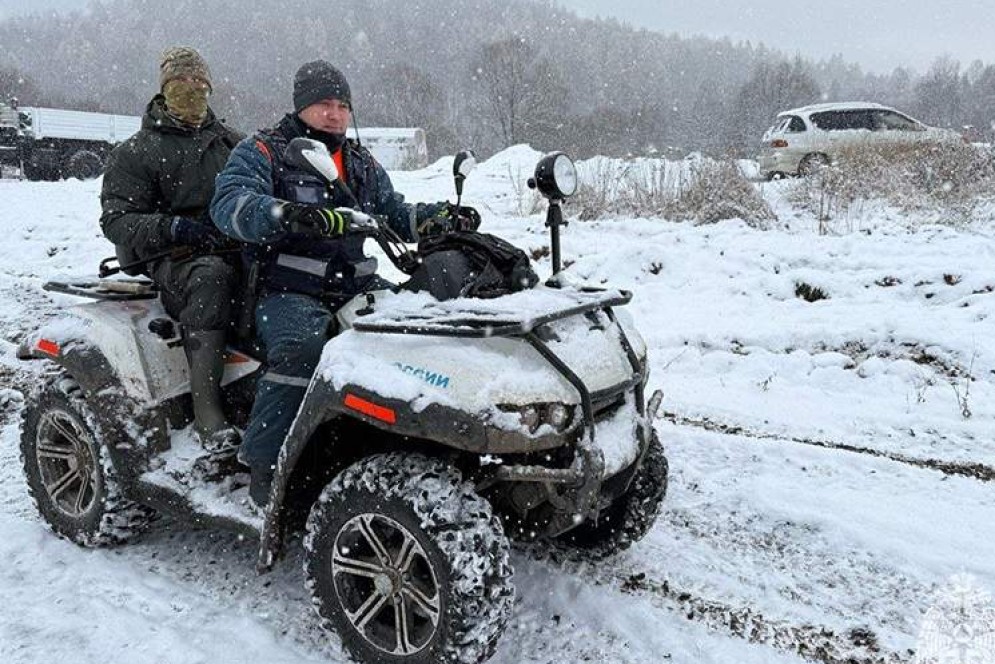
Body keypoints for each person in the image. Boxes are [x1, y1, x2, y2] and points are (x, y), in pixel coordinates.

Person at [211, 60, 478, 507]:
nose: (334, 115)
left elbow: (392, 211)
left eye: (342, 105)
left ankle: (403, 441)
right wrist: (285, 213)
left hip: (355, 286)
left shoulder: (358, 161)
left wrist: (434, 218)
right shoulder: (264, 151)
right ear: (301, 106)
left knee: (422, 335)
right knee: (304, 350)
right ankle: (266, 464)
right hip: (286, 290)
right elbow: (230, 205)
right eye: (323, 104)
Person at [100, 46, 244, 461]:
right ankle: (206, 409)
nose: (192, 91)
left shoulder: (230, 143)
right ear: (165, 88)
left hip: (230, 242)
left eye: (200, 84)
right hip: (171, 255)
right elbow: (117, 220)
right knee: (211, 278)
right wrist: (172, 227)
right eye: (182, 83)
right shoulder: (136, 151)